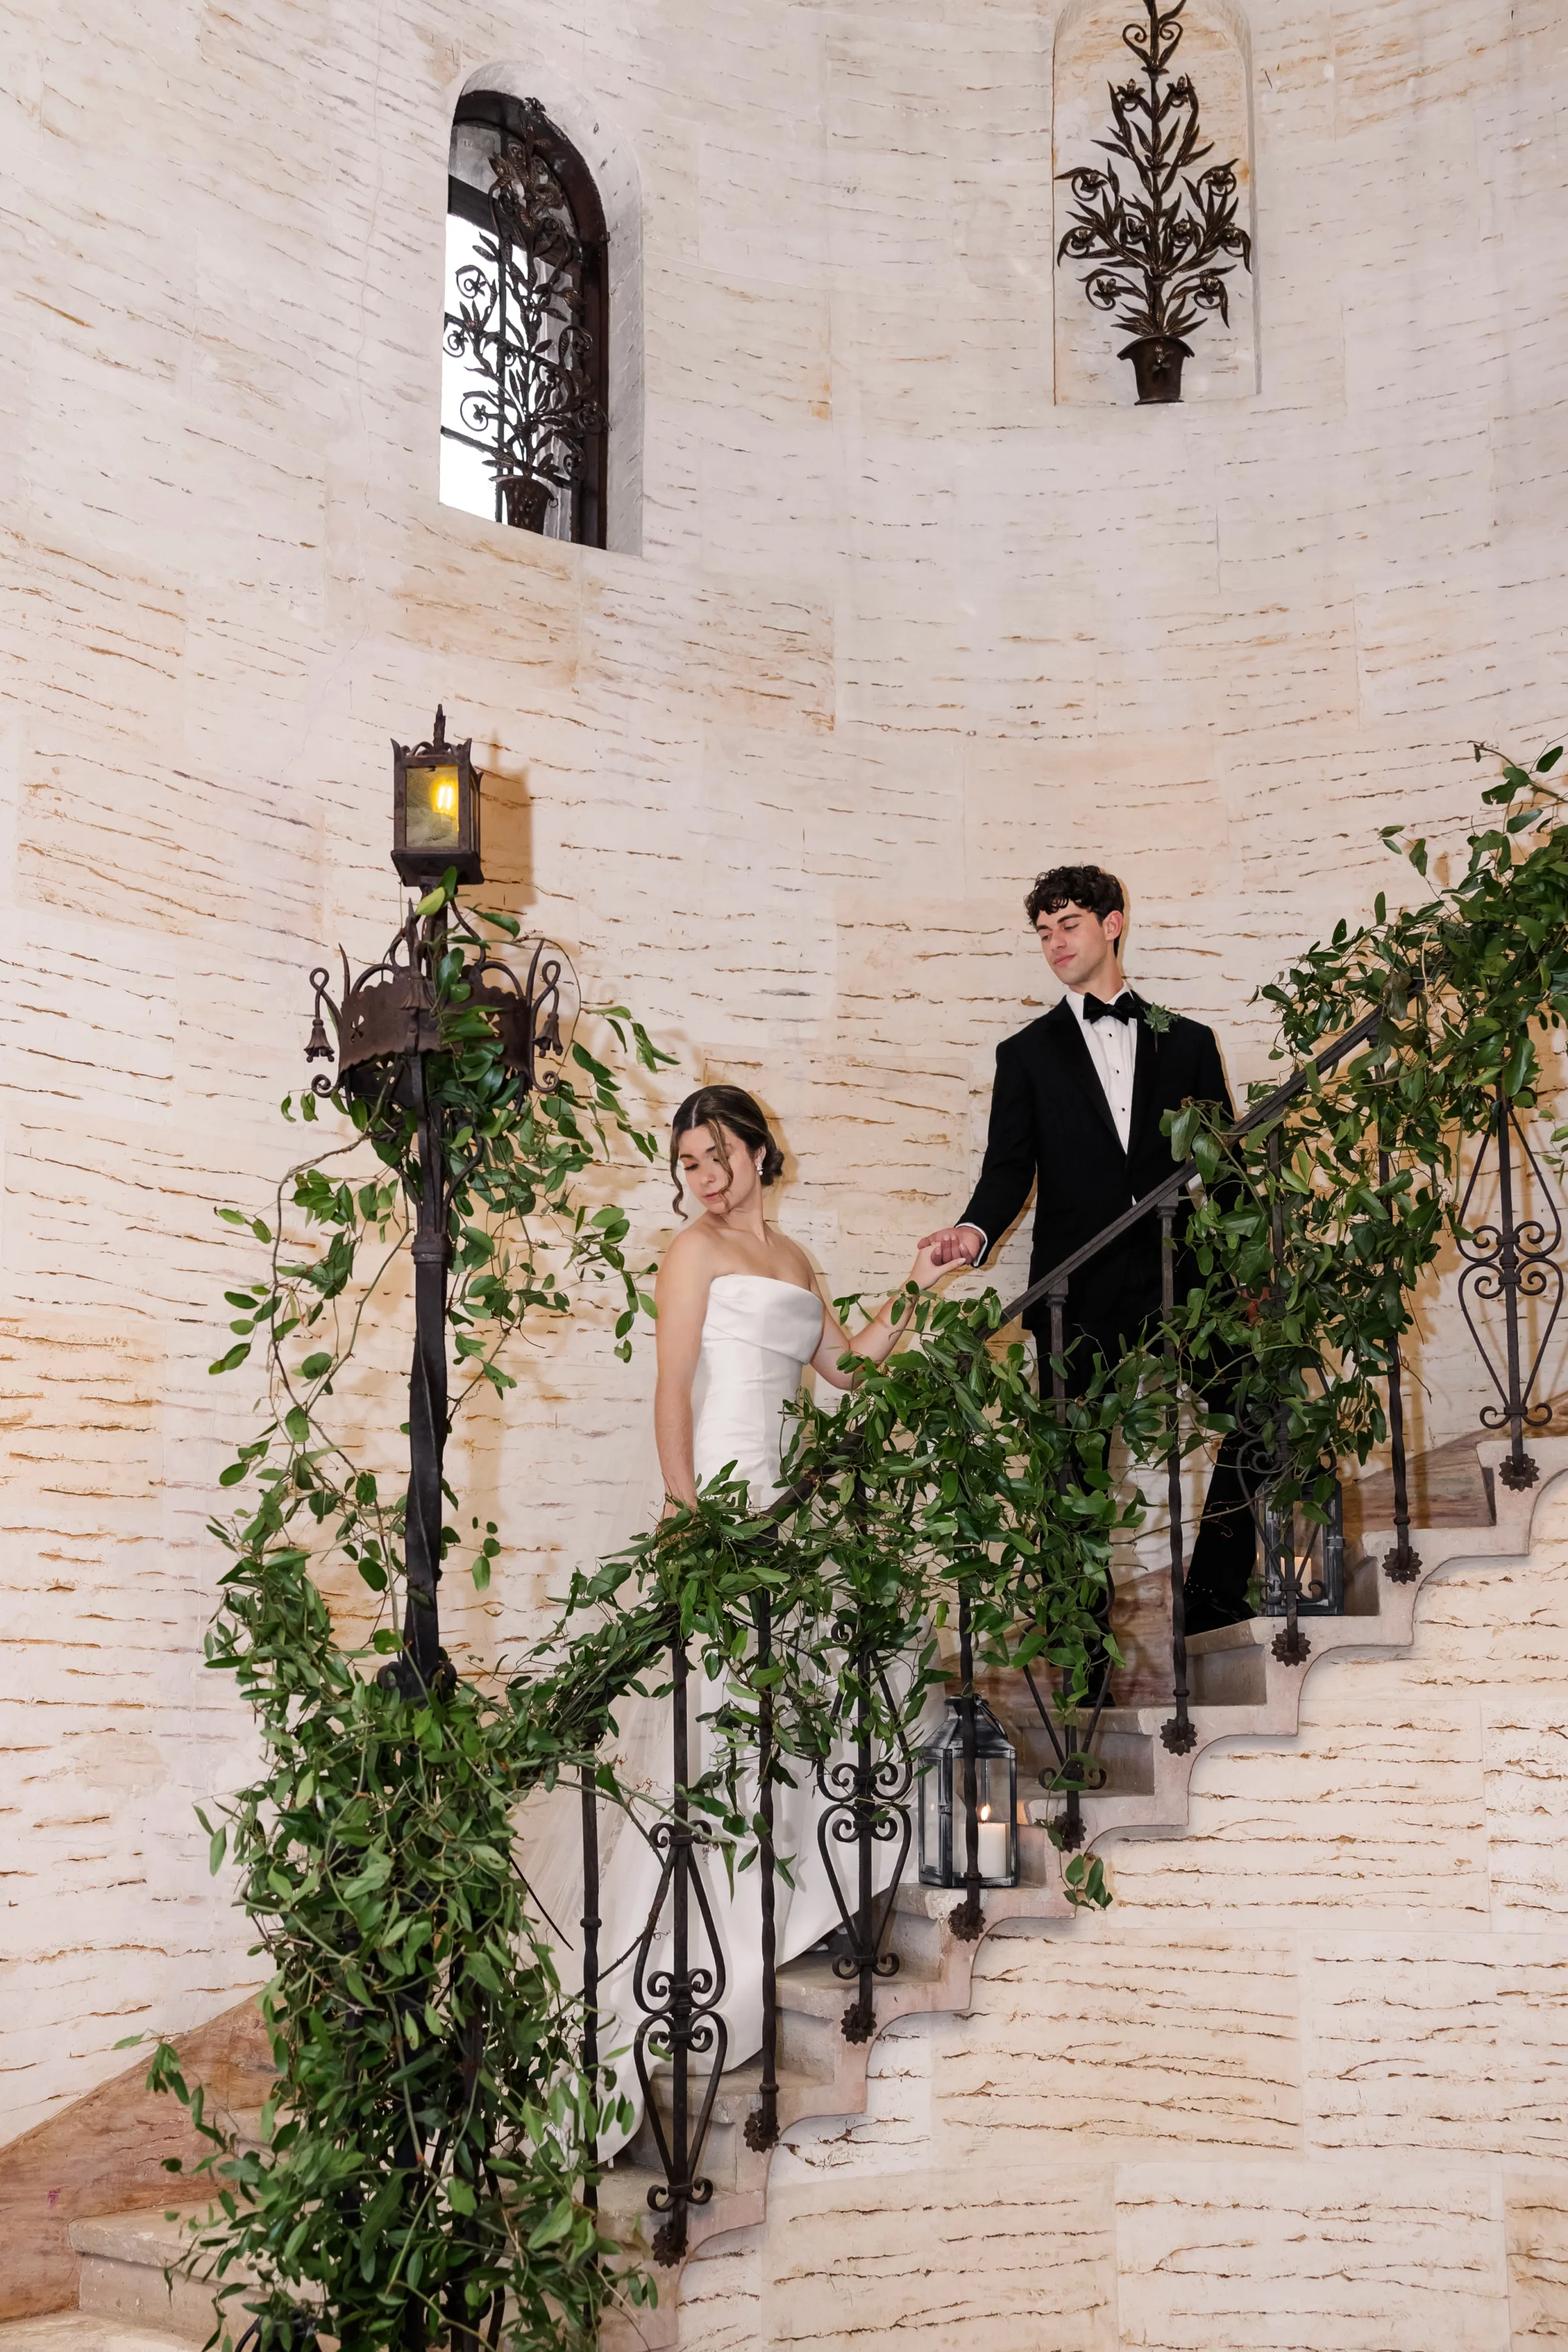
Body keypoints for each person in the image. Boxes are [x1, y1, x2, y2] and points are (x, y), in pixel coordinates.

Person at [585, 1084, 942, 2147]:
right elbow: (671, 1386)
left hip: (796, 1509)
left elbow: (847, 1371)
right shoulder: (688, 1254)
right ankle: (707, 1961)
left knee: (814, 1707)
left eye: (717, 1151)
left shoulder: (794, 1261)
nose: (704, 1173)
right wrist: (685, 1507)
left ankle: (789, 1918)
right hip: (731, 1506)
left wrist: (919, 1284)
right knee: (725, 1722)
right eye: (687, 1160)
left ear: (754, 1148)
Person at [921, 865, 1257, 1642]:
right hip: (1076, 1284)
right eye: (1042, 932)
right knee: (1069, 1468)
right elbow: (1008, 1170)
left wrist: (1253, 1274)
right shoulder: (1025, 1055)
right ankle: (1082, 1643)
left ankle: (1212, 1594)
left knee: (1265, 1413)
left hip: (1185, 1278)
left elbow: (1225, 1169)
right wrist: (972, 1233)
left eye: (1067, 924)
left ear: (1112, 924)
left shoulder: (1192, 1043)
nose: (1053, 944)